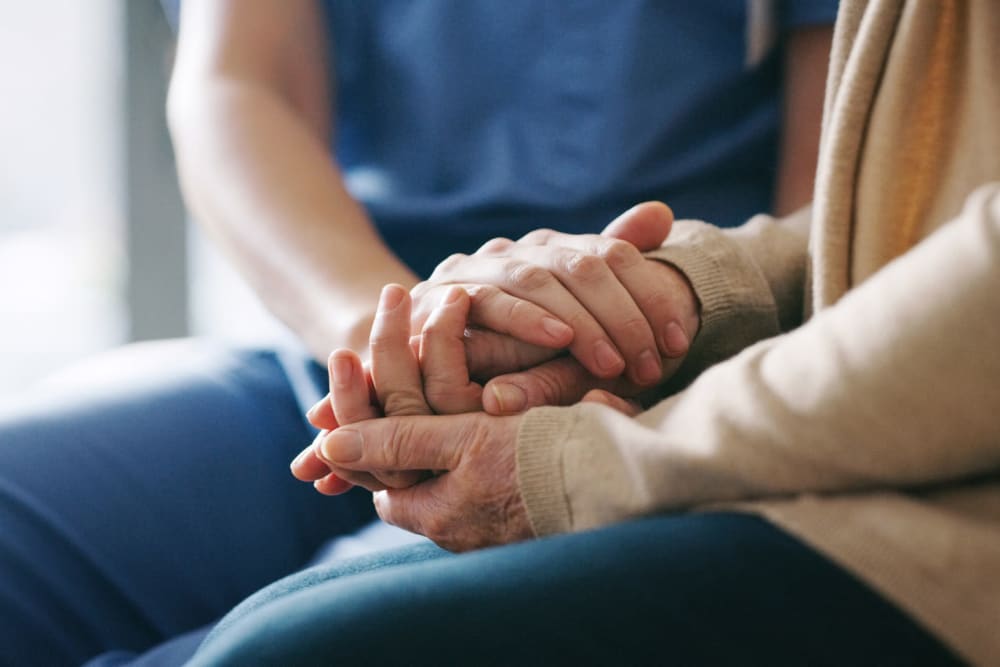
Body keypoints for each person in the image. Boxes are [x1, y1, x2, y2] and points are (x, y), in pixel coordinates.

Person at [0, 2, 838, 665]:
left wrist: (617, 341)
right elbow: (237, 86)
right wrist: (383, 334)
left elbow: (839, 203)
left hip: (643, 386)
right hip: (336, 348)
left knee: (271, 646)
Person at [187, 0, 999, 664]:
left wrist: (585, 459)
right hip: (401, 342)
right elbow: (894, 216)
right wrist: (683, 287)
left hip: (894, 481)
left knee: (272, 649)